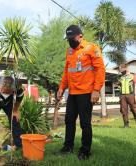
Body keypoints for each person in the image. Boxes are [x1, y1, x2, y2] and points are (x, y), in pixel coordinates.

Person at [57, 25, 105, 160]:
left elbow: (100, 70)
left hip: (86, 92)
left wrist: (96, 90)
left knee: (85, 123)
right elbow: (67, 72)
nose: (70, 41)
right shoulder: (69, 52)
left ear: (80, 36)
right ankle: (68, 147)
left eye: (72, 38)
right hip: (72, 93)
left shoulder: (92, 48)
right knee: (69, 120)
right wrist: (62, 87)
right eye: (68, 39)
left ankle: (85, 151)